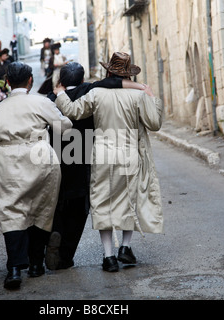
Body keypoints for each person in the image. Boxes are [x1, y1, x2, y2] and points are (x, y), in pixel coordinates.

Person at [54, 52, 164, 273]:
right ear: (127, 74)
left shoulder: (96, 93)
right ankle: (125, 247)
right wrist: (152, 97)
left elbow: (73, 112)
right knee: (128, 201)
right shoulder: (137, 96)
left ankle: (108, 257)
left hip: (102, 155)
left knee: (102, 203)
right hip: (129, 154)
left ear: (107, 72)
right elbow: (154, 123)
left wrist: (61, 94)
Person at [0, 62, 72, 290]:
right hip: (39, 158)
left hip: (9, 160)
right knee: (40, 209)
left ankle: (14, 268)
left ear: (7, 81)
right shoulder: (41, 102)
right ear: (30, 81)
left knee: (11, 211)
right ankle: (36, 264)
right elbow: (65, 127)